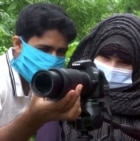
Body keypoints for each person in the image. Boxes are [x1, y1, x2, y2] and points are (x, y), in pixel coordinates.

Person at [36, 13, 140, 141]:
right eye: (105, 57)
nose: (112, 67)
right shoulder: (66, 100)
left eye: (123, 62)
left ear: (138, 68)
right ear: (92, 54)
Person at [0, 2, 83, 141]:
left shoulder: (45, 80)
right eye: (44, 50)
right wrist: (33, 119)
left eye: (61, 51)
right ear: (18, 44)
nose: (53, 59)